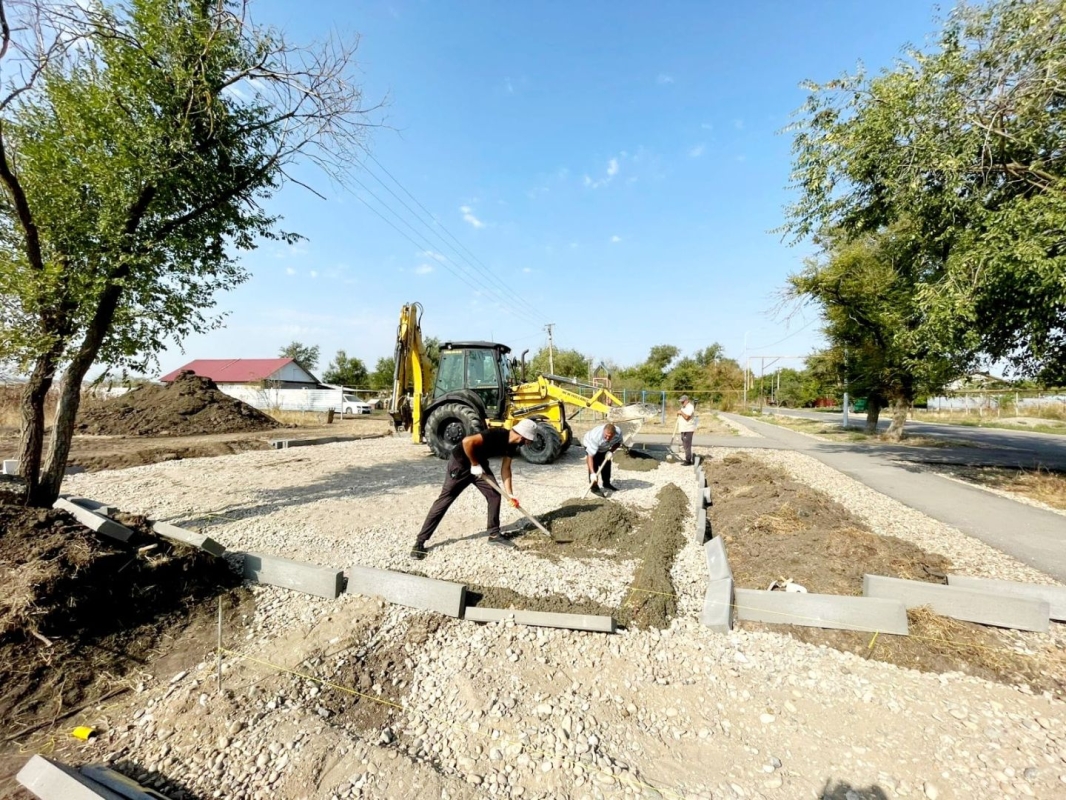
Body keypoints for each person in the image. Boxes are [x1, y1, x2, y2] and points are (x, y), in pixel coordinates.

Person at [411, 418, 538, 560]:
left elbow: (506, 469)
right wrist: (474, 464)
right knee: (445, 500)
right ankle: (420, 541)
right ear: (523, 436)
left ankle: (494, 535)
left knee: (494, 495)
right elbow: (467, 442)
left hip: (479, 466)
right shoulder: (497, 434)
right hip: (460, 464)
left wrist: (510, 494)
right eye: (529, 440)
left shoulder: (512, 446)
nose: (528, 443)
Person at [582, 421, 623, 496]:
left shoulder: (618, 433)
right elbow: (590, 456)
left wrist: (611, 451)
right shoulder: (596, 437)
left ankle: (606, 483)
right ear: (603, 431)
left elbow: (618, 443)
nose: (607, 438)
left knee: (607, 464)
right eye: (606, 436)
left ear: (614, 434)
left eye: (610, 436)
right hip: (590, 443)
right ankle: (594, 487)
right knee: (594, 466)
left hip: (604, 447)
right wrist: (593, 473)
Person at [677, 394, 698, 466]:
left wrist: (681, 412)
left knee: (687, 445)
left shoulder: (690, 407)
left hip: (688, 429)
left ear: (687, 401)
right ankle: (687, 458)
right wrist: (679, 413)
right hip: (683, 429)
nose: (681, 403)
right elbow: (682, 416)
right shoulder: (684, 407)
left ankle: (688, 460)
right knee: (685, 445)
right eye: (681, 402)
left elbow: (687, 417)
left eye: (683, 402)